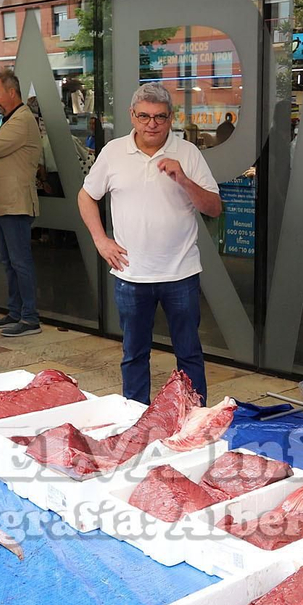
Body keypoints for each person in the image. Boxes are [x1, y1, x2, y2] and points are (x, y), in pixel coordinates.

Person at [80, 82, 221, 402]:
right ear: (132, 116)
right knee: (134, 355)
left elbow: (213, 208)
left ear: (171, 118)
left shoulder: (188, 152)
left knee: (189, 355)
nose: (152, 124)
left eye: (159, 117)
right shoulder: (114, 152)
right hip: (131, 274)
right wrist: (101, 241)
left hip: (180, 274)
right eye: (144, 116)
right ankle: (136, 417)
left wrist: (183, 179)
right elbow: (86, 196)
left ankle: (195, 418)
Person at [0, 68, 43, 337]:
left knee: (20, 261)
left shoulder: (21, 120)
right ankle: (15, 312)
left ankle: (29, 318)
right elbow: (0, 154)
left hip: (15, 204)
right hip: (3, 204)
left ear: (12, 93)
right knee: (10, 261)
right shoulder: (12, 120)